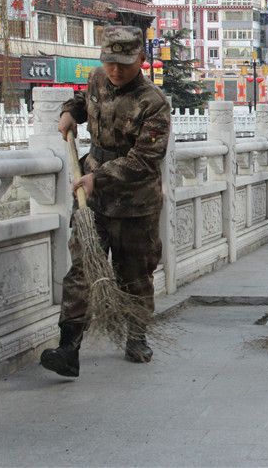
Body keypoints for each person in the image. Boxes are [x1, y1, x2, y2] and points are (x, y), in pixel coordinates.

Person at [40, 26, 171, 378]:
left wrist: (98, 178)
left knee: (135, 273)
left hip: (135, 203)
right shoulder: (97, 79)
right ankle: (69, 348)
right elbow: (84, 103)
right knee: (83, 270)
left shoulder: (154, 103)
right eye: (110, 62)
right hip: (92, 201)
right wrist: (70, 111)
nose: (115, 71)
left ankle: (136, 335)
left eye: (124, 65)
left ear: (141, 60)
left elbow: (146, 159)